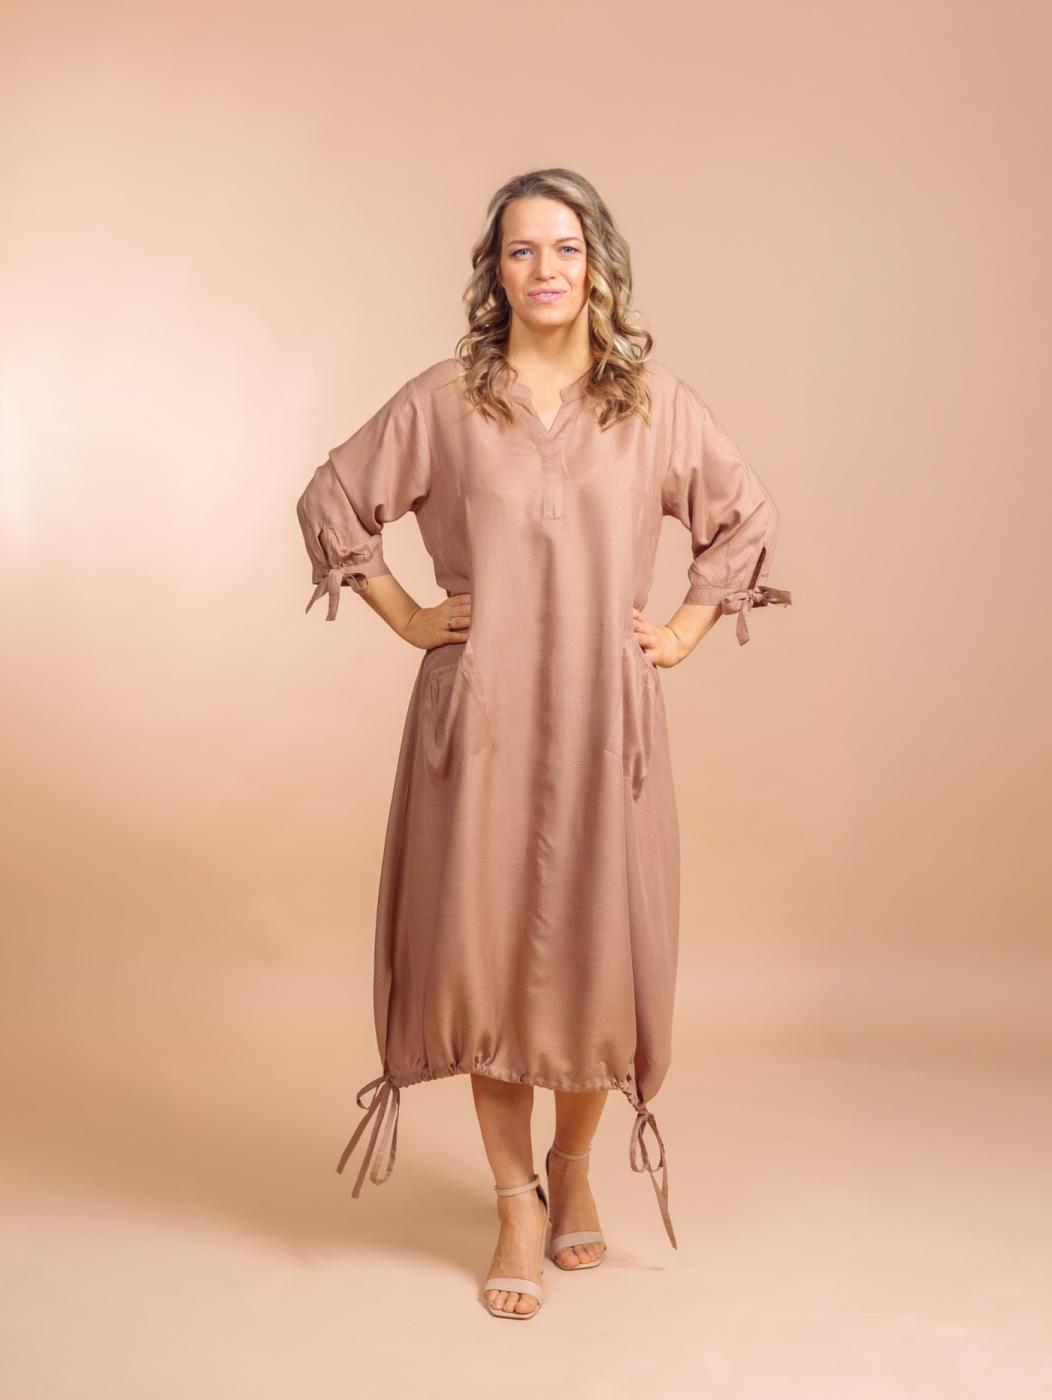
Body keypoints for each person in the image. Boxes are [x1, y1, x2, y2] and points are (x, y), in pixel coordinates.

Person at [296, 167, 791, 1319]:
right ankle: (514, 1196)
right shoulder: (443, 401)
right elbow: (333, 497)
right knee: (482, 954)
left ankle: (572, 1164)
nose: (544, 269)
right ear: (495, 272)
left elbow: (742, 515)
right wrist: (407, 614)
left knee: (591, 953)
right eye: (520, 250)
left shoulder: (651, 404)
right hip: (478, 721)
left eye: (564, 247)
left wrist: (682, 628)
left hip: (604, 721)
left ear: (597, 262)